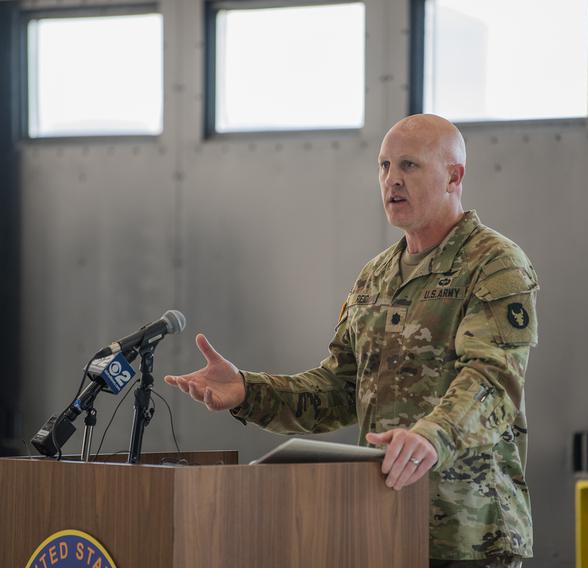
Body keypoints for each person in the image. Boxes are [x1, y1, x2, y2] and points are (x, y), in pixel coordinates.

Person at [165, 114, 539, 567]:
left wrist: (431, 437)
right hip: (381, 525)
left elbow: (492, 380)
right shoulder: (375, 276)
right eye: (383, 166)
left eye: (409, 166)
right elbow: (339, 391)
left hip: (469, 534)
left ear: (453, 176)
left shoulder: (494, 263)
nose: (391, 180)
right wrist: (249, 390)